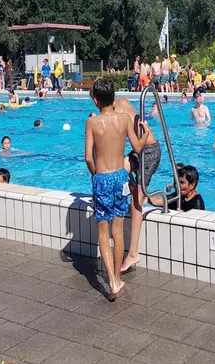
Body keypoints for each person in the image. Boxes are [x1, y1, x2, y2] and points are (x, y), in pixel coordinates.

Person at [85, 78, 151, 299]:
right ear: (114, 98)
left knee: (103, 231)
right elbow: (139, 147)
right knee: (118, 230)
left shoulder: (93, 123)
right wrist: (145, 130)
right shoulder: (123, 120)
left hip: (102, 177)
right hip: (121, 178)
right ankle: (118, 279)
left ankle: (111, 281)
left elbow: (88, 158)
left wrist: (96, 175)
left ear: (95, 100)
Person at [114, 98, 161, 274]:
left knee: (136, 202)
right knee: (119, 171)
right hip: (139, 151)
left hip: (149, 152)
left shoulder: (116, 114)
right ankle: (137, 190)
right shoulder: (122, 102)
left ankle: (133, 253)